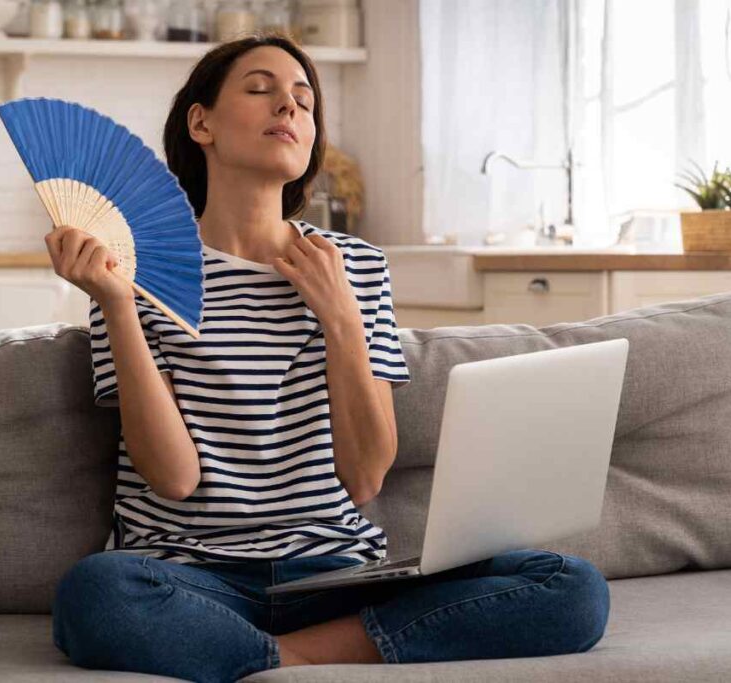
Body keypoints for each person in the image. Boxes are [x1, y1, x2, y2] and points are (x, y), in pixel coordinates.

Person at [43, 33, 610, 683]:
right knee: (96, 593)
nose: (288, 106)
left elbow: (365, 476)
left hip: (336, 574)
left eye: (304, 101)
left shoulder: (357, 267)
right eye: (261, 90)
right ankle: (320, 656)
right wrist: (116, 304)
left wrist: (341, 317)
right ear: (201, 122)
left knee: (573, 588)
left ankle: (274, 658)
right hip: (193, 575)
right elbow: (173, 477)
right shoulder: (134, 274)